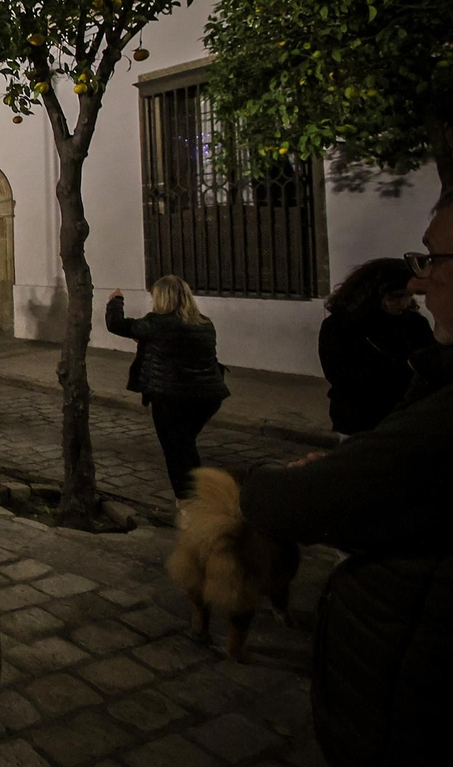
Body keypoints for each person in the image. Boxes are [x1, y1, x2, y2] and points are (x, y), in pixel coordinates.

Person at [240, 196, 453, 766]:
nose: (421, 284)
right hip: (359, 433)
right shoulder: (409, 351)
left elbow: (298, 501)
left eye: (433, 262)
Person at [106, 275, 229, 507]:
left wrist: (116, 301)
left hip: (172, 397)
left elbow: (117, 325)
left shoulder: (157, 323)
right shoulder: (205, 323)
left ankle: (189, 503)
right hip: (208, 397)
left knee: (176, 451)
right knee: (185, 445)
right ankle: (198, 496)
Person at [317, 258, 435, 438]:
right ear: (372, 294)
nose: (404, 303)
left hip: (406, 417)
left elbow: (430, 366)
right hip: (358, 418)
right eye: (396, 296)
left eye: (409, 296)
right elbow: (338, 373)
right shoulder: (339, 326)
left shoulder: (415, 324)